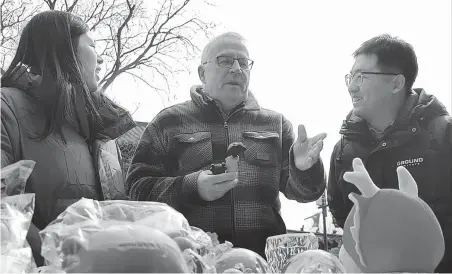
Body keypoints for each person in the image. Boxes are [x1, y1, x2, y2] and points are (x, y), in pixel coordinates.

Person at [126, 32, 327, 257]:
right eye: (225, 61)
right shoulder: (168, 122)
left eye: (243, 62)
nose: (236, 69)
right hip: (194, 261)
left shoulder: (276, 124)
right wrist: (191, 187)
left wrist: (304, 170)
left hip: (262, 262)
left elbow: (306, 193)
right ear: (202, 72)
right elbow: (136, 189)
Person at [1, 10, 135, 266]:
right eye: (94, 46)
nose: (102, 60)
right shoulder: (6, 107)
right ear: (66, 51)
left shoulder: (102, 129)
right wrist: (58, 261)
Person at [327, 34, 452, 272]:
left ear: (396, 84)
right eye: (351, 77)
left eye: (362, 76)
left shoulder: (443, 136)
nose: (352, 86)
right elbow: (344, 218)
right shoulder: (344, 150)